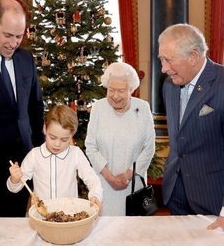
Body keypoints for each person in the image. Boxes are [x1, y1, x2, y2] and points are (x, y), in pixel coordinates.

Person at [0, 0, 44, 216]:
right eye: (8, 35)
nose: (14, 43)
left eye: (19, 36)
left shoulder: (26, 59)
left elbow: (35, 108)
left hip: (25, 162)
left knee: (21, 223)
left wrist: (38, 152)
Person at [158, 23, 224, 229]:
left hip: (213, 199)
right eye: (161, 59)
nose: (163, 68)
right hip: (176, 193)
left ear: (193, 56)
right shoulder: (169, 85)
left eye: (168, 60)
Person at [85, 62, 156, 216]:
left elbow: (149, 147)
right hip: (103, 184)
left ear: (131, 89)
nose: (115, 96)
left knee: (133, 233)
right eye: (111, 90)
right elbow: (90, 146)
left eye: (121, 90)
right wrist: (109, 177)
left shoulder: (142, 108)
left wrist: (127, 175)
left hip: (133, 186)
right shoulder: (98, 108)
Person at [7, 105, 103, 212]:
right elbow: (14, 189)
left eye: (64, 139)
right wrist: (14, 180)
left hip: (68, 216)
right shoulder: (34, 155)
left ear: (72, 135)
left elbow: (93, 180)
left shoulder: (75, 154)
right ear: (45, 129)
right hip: (41, 216)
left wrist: (96, 196)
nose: (57, 144)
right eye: (52, 137)